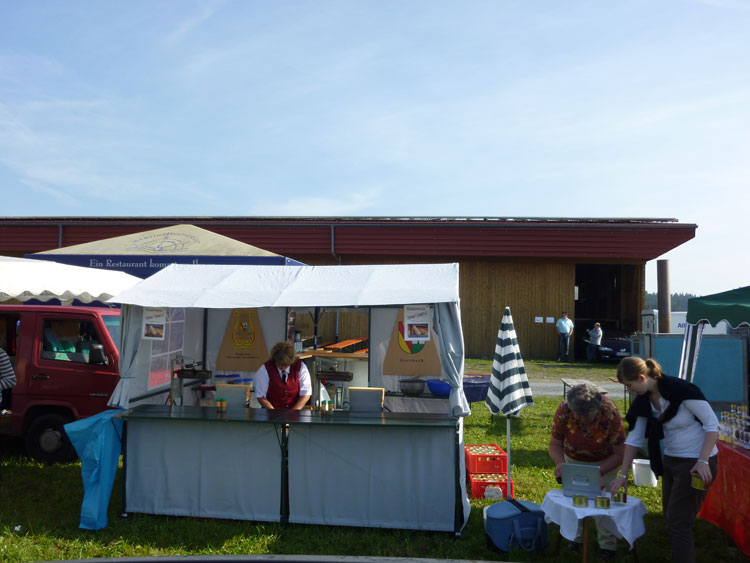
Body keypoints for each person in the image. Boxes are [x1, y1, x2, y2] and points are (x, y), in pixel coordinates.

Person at [607, 357, 718, 563]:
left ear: (642, 377)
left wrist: (702, 461)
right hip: (671, 461)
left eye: (629, 385)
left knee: (678, 521)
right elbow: (635, 438)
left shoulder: (683, 391)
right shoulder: (644, 401)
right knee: (671, 517)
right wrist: (623, 475)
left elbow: (712, 426)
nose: (628, 390)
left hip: (696, 463)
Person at [549, 383, 625, 559]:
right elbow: (555, 443)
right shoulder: (564, 410)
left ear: (597, 409)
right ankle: (575, 538)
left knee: (604, 502)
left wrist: (601, 471)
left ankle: (607, 546)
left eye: (586, 415)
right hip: (573, 460)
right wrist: (560, 464)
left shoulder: (610, 412)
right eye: (577, 414)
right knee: (574, 500)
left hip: (605, 461)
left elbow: (621, 453)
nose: (580, 418)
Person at [254, 341, 311, 410]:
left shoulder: (301, 367)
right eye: (279, 364)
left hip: (295, 414)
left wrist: (294, 412)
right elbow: (260, 396)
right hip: (271, 414)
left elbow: (306, 393)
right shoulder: (265, 369)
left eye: (286, 365)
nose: (283, 367)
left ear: (291, 361)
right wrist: (273, 412)